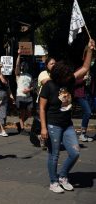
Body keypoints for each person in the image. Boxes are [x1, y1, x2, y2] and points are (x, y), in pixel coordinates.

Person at [39, 39, 95, 193]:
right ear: (58, 76)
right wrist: (43, 128)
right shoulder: (49, 86)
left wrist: (89, 50)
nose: (69, 77)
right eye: (65, 76)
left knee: (75, 152)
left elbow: (85, 67)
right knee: (54, 154)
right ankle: (53, 182)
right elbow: (42, 108)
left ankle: (63, 176)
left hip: (67, 124)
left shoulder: (69, 80)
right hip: (52, 125)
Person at [15, 50, 33, 135]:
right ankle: (22, 129)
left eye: (25, 66)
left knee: (29, 113)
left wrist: (29, 90)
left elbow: (33, 86)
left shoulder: (30, 76)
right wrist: (19, 55)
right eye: (22, 66)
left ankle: (19, 123)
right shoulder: (18, 74)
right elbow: (17, 65)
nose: (24, 67)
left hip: (28, 96)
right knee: (22, 113)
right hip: (20, 96)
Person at [0, 64, 14, 137]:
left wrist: (12, 97)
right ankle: (3, 130)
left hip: (5, 97)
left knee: (0, 112)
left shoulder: (7, 80)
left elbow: (9, 89)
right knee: (2, 113)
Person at [74, 68, 93, 142]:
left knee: (87, 113)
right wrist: (83, 79)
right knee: (88, 112)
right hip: (79, 95)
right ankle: (82, 134)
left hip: (87, 95)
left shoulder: (90, 71)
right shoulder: (80, 70)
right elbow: (73, 82)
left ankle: (83, 134)